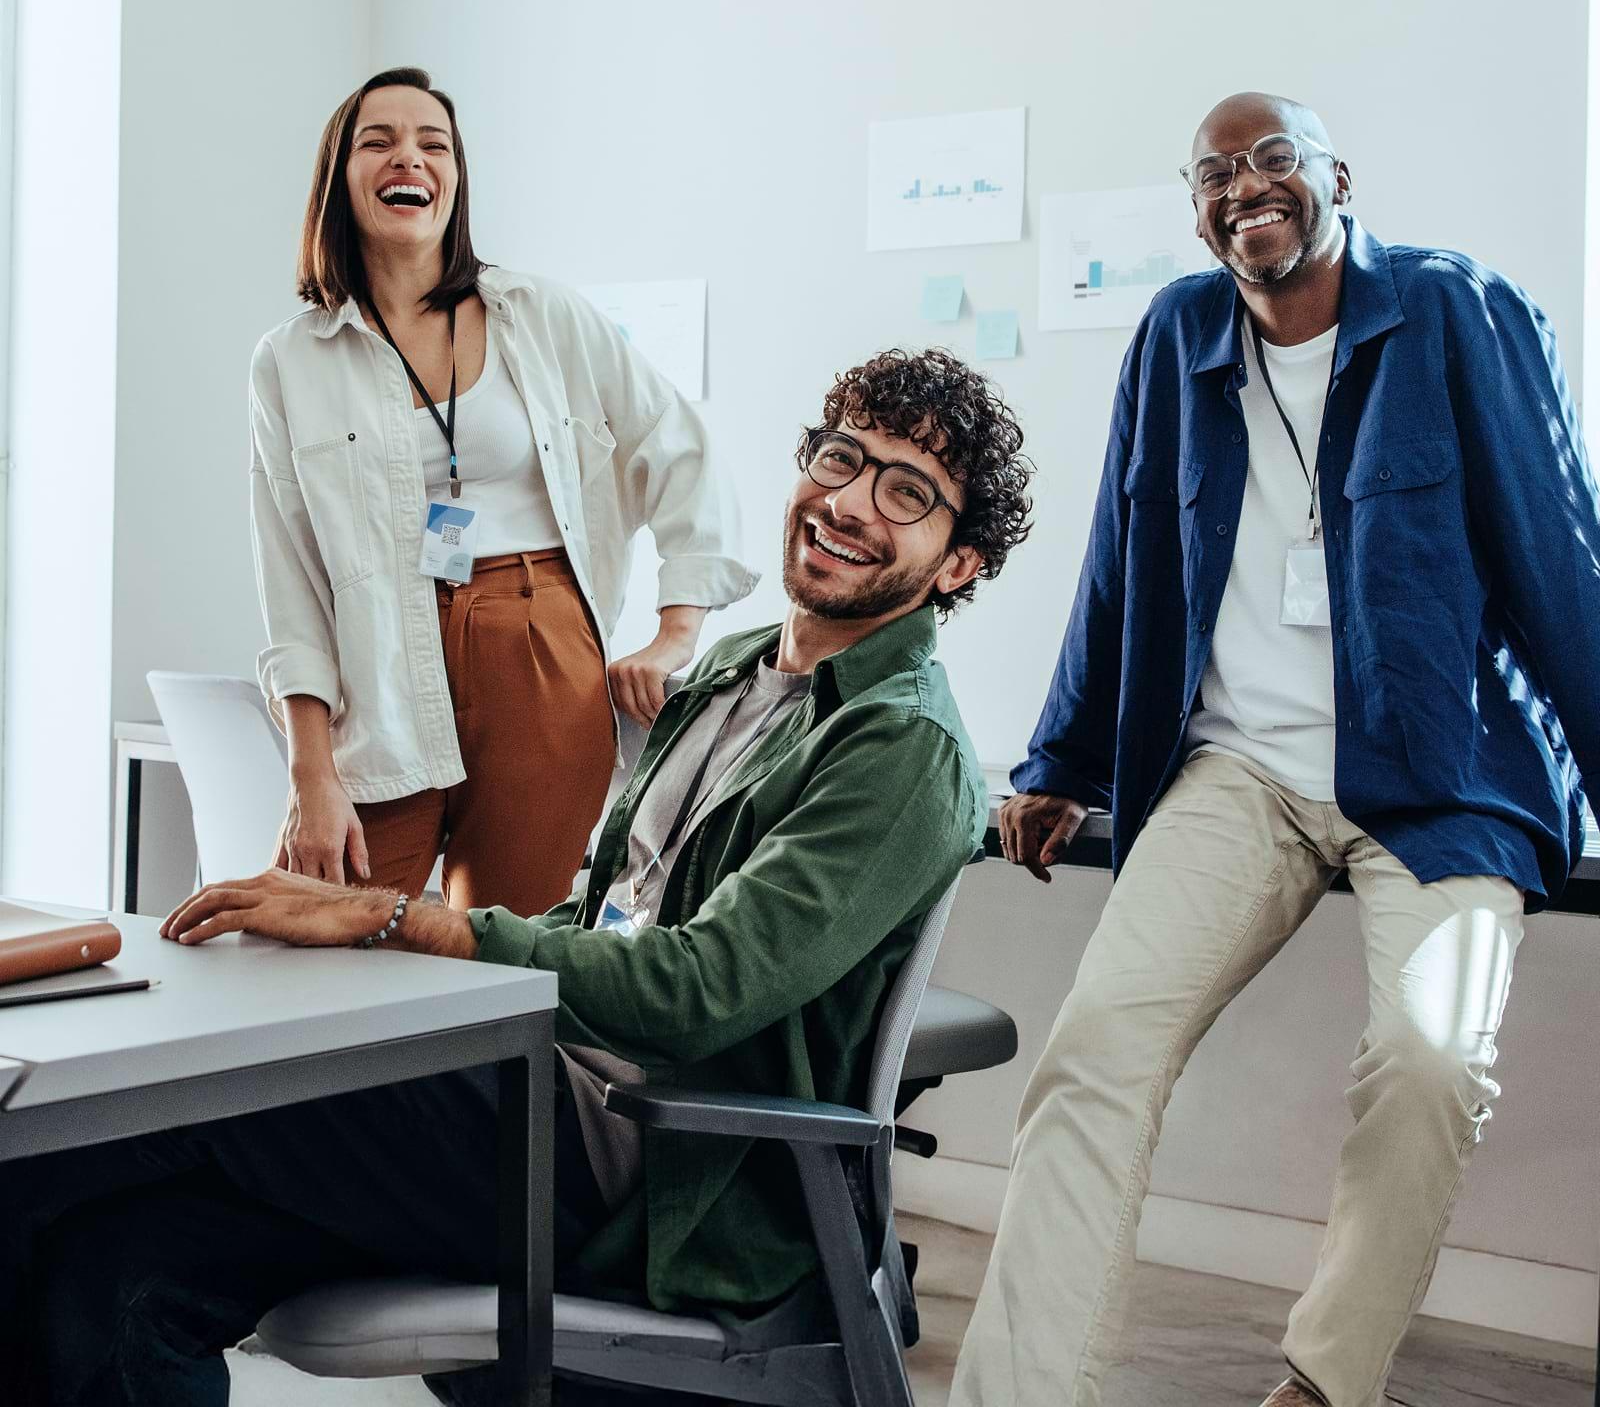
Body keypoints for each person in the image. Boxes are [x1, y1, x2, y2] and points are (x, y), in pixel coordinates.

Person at [3, 347, 1034, 1407]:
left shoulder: (899, 745)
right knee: (111, 1267)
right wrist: (385, 941)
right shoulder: (730, 670)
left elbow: (699, 988)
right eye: (839, 457)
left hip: (640, 1161)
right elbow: (603, 918)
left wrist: (399, 920)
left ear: (956, 564)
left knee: (135, 1109)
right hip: (539, 1086)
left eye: (907, 491)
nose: (850, 499)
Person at [952, 92, 1600, 1407]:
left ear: (1335, 176)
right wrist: (1060, 761)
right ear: (1196, 210)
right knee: (1091, 1059)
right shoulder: (1179, 332)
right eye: (1215, 173)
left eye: (1272, 159)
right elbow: (1120, 558)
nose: (1245, 186)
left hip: (1443, 777)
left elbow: (1558, 552)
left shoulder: (1456, 308)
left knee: (1430, 1061)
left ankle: (1324, 1385)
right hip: (1235, 776)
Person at [252, 65, 754, 915]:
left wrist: (675, 634)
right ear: (340, 178)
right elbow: (289, 575)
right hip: (377, 668)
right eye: (378, 141)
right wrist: (310, 770)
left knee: (510, 950)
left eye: (432, 143)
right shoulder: (292, 359)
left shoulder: (543, 315)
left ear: (454, 178)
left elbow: (680, 451)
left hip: (539, 643)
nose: (408, 157)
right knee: (323, 931)